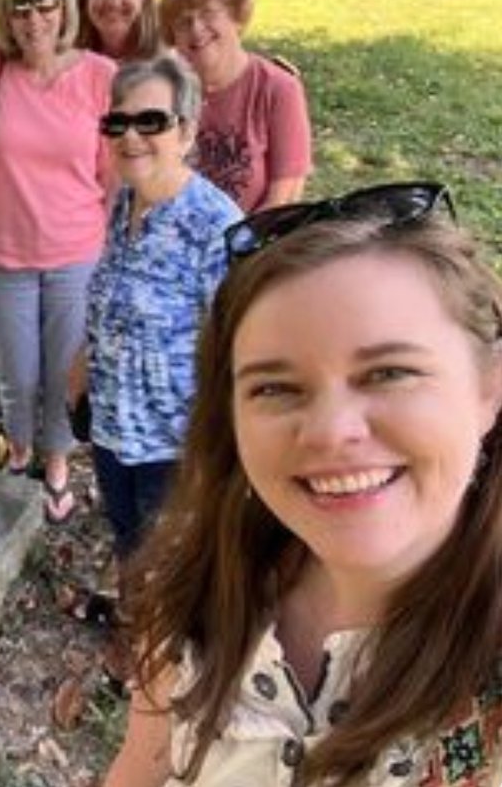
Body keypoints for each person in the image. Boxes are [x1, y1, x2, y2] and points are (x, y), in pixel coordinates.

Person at [99, 182, 502, 786]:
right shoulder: (192, 592)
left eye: (389, 373)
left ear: (489, 389)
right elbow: (139, 771)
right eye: (275, 388)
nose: (331, 432)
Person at [74, 55, 240, 593]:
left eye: (151, 122)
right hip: (112, 427)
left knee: (170, 566)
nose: (131, 137)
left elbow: (238, 352)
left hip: (174, 446)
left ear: (186, 131)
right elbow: (109, 305)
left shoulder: (217, 227)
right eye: (117, 123)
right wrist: (79, 377)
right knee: (128, 541)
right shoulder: (125, 203)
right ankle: (136, 624)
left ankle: (162, 661)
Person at [0, 0, 115, 521]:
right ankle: (20, 449)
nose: (32, 19)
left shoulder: (100, 77)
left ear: (64, 8)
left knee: (64, 372)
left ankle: (56, 461)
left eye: (45, 4)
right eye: (18, 7)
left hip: (78, 251)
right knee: (17, 371)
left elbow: (112, 175)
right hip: (4, 252)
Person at [159, 0, 311, 214]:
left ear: (237, 16)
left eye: (208, 13)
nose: (196, 29)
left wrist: (239, 247)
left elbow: (285, 196)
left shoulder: (278, 88)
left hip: (253, 243)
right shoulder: (162, 89)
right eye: (184, 21)